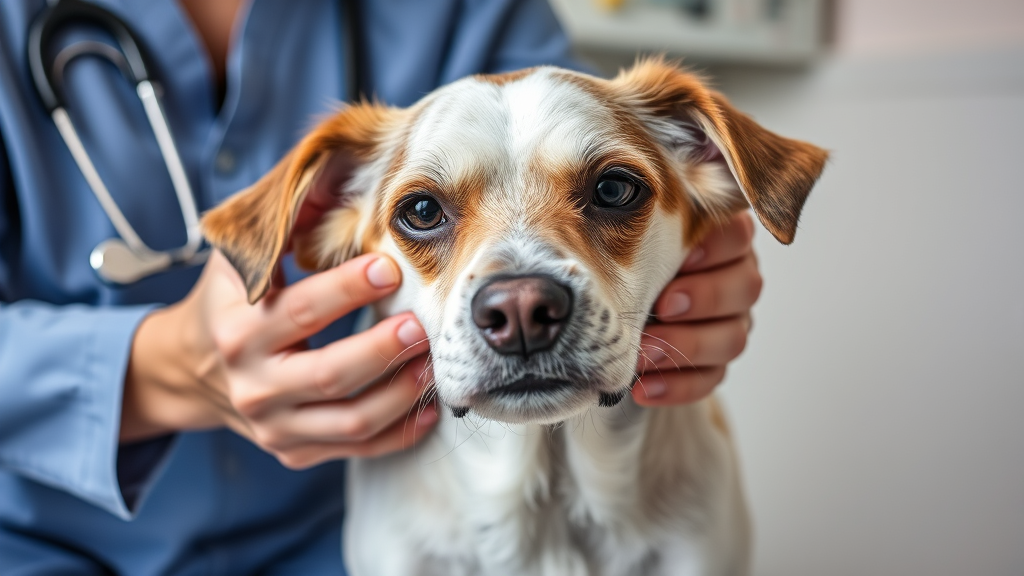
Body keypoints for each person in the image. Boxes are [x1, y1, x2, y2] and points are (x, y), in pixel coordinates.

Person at [0, 1, 763, 574]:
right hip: (38, 541)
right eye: (425, 212)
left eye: (612, 192)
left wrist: (704, 275)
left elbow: (543, 114)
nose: (519, 302)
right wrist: (157, 367)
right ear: (321, 211)